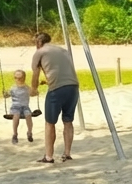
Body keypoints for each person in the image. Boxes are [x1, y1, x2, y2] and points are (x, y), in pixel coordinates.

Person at [31, 33, 79, 163]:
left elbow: (35, 73)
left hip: (56, 90)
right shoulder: (63, 51)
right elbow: (61, 70)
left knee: (50, 123)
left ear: (39, 42)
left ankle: (48, 156)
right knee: (68, 121)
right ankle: (67, 153)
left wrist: (33, 89)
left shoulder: (40, 52)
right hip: (73, 87)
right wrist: (48, 81)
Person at [7, 69, 36, 145]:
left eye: (20, 78)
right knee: (16, 116)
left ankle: (29, 132)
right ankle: (15, 134)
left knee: (28, 115)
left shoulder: (27, 88)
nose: (18, 79)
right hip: (15, 107)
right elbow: (8, 94)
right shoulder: (13, 88)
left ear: (24, 78)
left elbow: (32, 94)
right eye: (16, 78)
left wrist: (35, 92)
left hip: (25, 107)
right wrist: (5, 94)